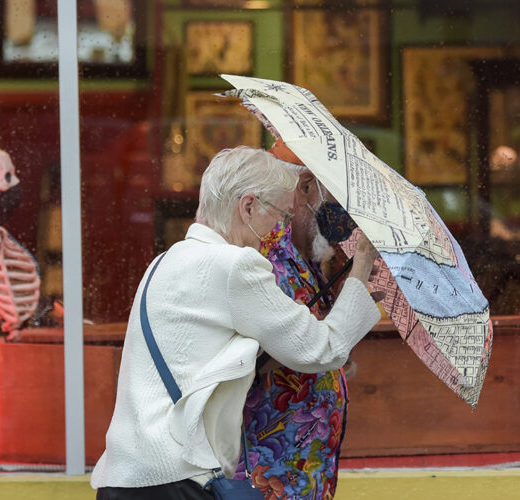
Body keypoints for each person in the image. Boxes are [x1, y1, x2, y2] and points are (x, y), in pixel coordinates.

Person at [91, 146, 382, 499]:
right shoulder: (234, 266)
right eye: (282, 217)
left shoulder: (164, 262)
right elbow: (322, 350)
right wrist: (363, 261)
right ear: (248, 207)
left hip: (124, 479)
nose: (281, 232)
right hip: (177, 480)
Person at [233, 139, 361, 500]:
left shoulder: (309, 263)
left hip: (307, 474)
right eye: (336, 196)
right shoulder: (267, 261)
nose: (343, 213)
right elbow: (284, 352)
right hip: (269, 479)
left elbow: (318, 344)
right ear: (306, 187)